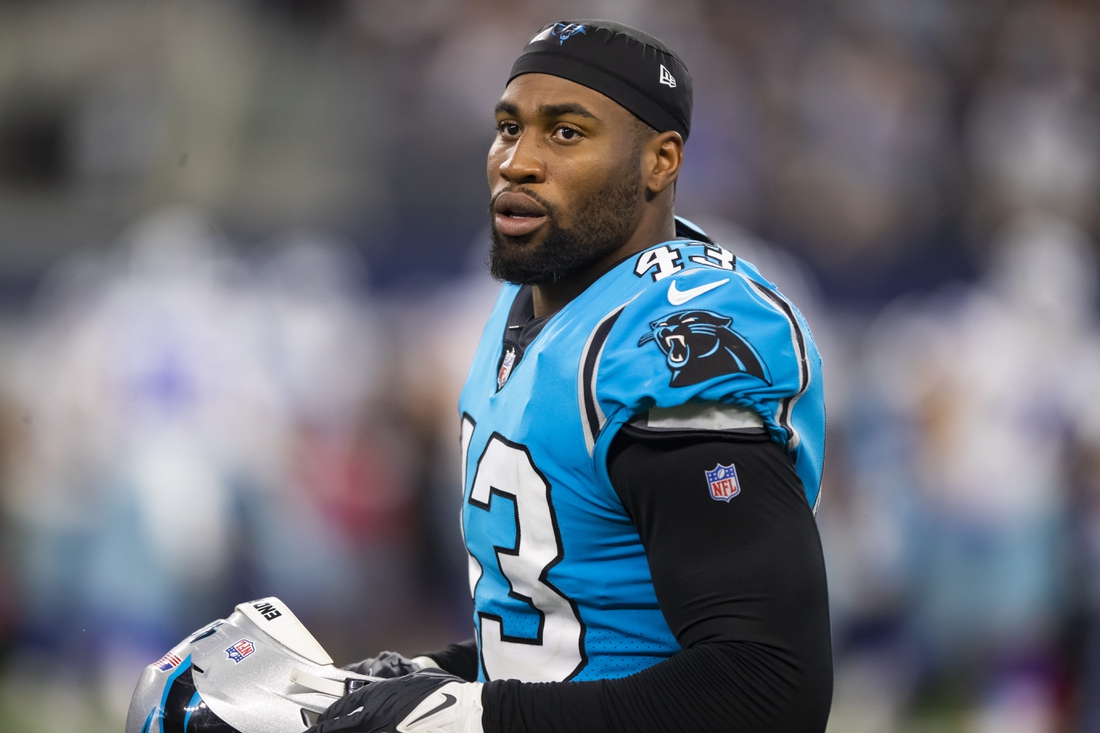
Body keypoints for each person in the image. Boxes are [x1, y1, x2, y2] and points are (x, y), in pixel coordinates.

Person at [307, 19, 831, 733]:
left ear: (660, 161)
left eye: (565, 133)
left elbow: (767, 685)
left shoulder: (675, 344)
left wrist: (470, 719)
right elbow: (575, 622)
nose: (517, 161)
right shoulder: (528, 304)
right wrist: (439, 675)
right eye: (507, 127)